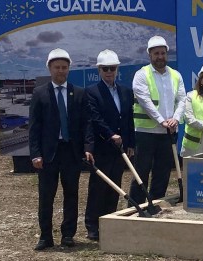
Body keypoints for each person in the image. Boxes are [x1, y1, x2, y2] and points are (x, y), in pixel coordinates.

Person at [29, 48, 94, 250]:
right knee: (46, 196)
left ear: (69, 69)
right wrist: (35, 154)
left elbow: (87, 124)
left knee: (71, 195)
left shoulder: (79, 93)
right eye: (56, 67)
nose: (60, 71)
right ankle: (46, 237)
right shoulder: (40, 93)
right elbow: (34, 127)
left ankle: (68, 235)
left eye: (64, 67)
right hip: (48, 154)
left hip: (71, 153)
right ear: (49, 68)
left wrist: (87, 147)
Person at [84, 49, 135, 241]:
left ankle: (109, 221)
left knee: (115, 186)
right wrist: (110, 134)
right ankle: (93, 226)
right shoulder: (92, 92)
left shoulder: (125, 91)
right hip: (102, 147)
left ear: (117, 69)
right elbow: (95, 119)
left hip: (120, 149)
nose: (109, 72)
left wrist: (130, 143)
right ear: (99, 70)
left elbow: (128, 119)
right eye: (105, 69)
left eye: (112, 68)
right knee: (98, 187)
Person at [129, 35, 186, 205]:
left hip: (168, 133)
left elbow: (182, 99)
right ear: (150, 55)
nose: (160, 56)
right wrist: (162, 120)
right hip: (145, 133)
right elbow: (145, 102)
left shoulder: (175, 75)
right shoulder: (141, 75)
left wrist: (175, 119)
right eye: (156, 53)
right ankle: (134, 208)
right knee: (141, 173)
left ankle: (156, 205)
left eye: (163, 53)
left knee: (162, 173)